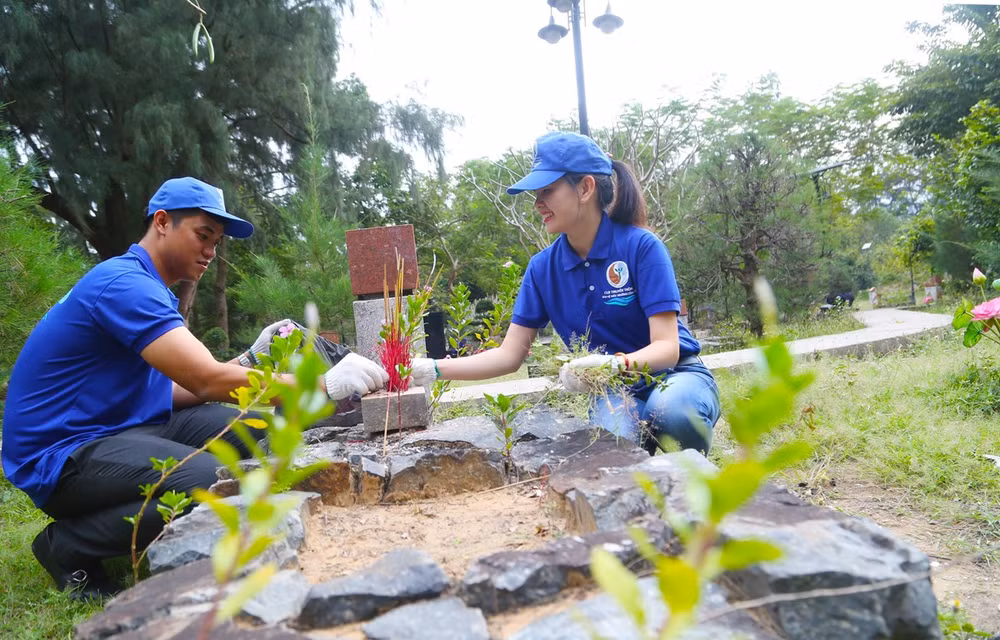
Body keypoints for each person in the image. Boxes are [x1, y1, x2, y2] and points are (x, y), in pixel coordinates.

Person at [1, 177, 388, 601]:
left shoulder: (148, 289)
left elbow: (175, 389)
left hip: (120, 428)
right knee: (208, 479)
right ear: (163, 222)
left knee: (259, 433)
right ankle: (68, 546)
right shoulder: (124, 286)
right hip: (60, 457)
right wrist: (323, 385)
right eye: (203, 235)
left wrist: (249, 360)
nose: (210, 251)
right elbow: (206, 379)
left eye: (217, 241)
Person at [409, 132, 720, 456]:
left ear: (585, 188)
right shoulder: (542, 269)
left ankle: (692, 483)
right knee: (612, 444)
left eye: (548, 190)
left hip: (675, 376)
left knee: (673, 411)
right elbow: (509, 355)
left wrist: (612, 364)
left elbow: (667, 348)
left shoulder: (641, 247)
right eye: (535, 193)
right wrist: (433, 369)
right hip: (613, 391)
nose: (537, 203)